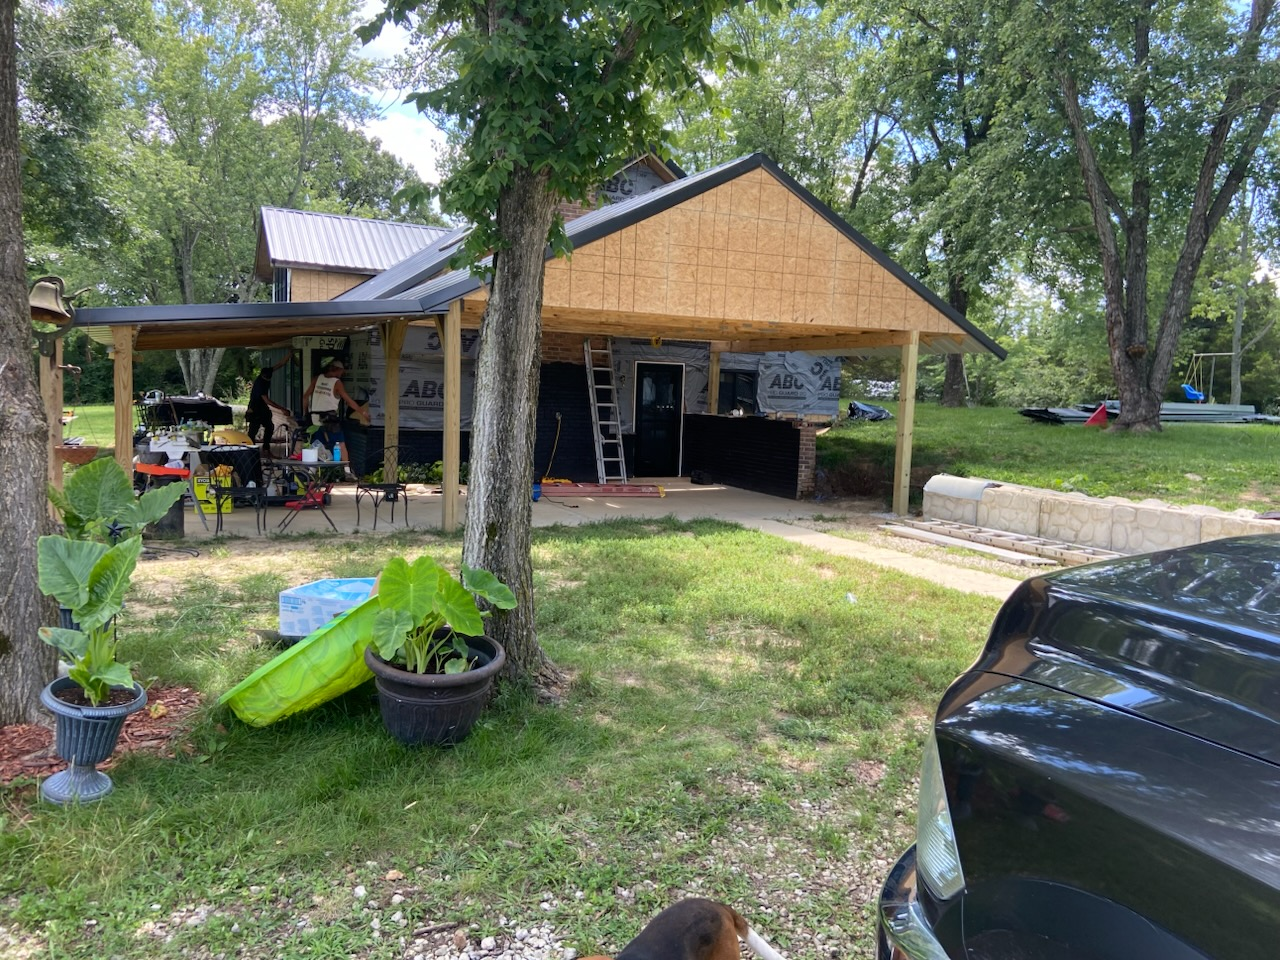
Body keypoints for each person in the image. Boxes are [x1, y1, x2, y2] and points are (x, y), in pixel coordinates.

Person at [246, 347, 294, 446]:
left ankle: (266, 448)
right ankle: (251, 449)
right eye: (266, 378)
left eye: (269, 378)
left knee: (269, 427)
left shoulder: (268, 371)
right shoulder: (260, 384)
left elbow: (280, 364)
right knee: (253, 431)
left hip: (263, 407)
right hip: (255, 408)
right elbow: (267, 401)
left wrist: (289, 355)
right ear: (262, 375)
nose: (268, 379)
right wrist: (283, 409)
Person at [303, 358, 369, 427]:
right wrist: (363, 413)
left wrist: (306, 414)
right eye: (342, 371)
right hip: (329, 422)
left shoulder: (317, 379)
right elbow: (349, 401)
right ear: (338, 370)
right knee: (343, 433)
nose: (342, 374)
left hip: (314, 420)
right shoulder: (336, 383)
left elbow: (305, 397)